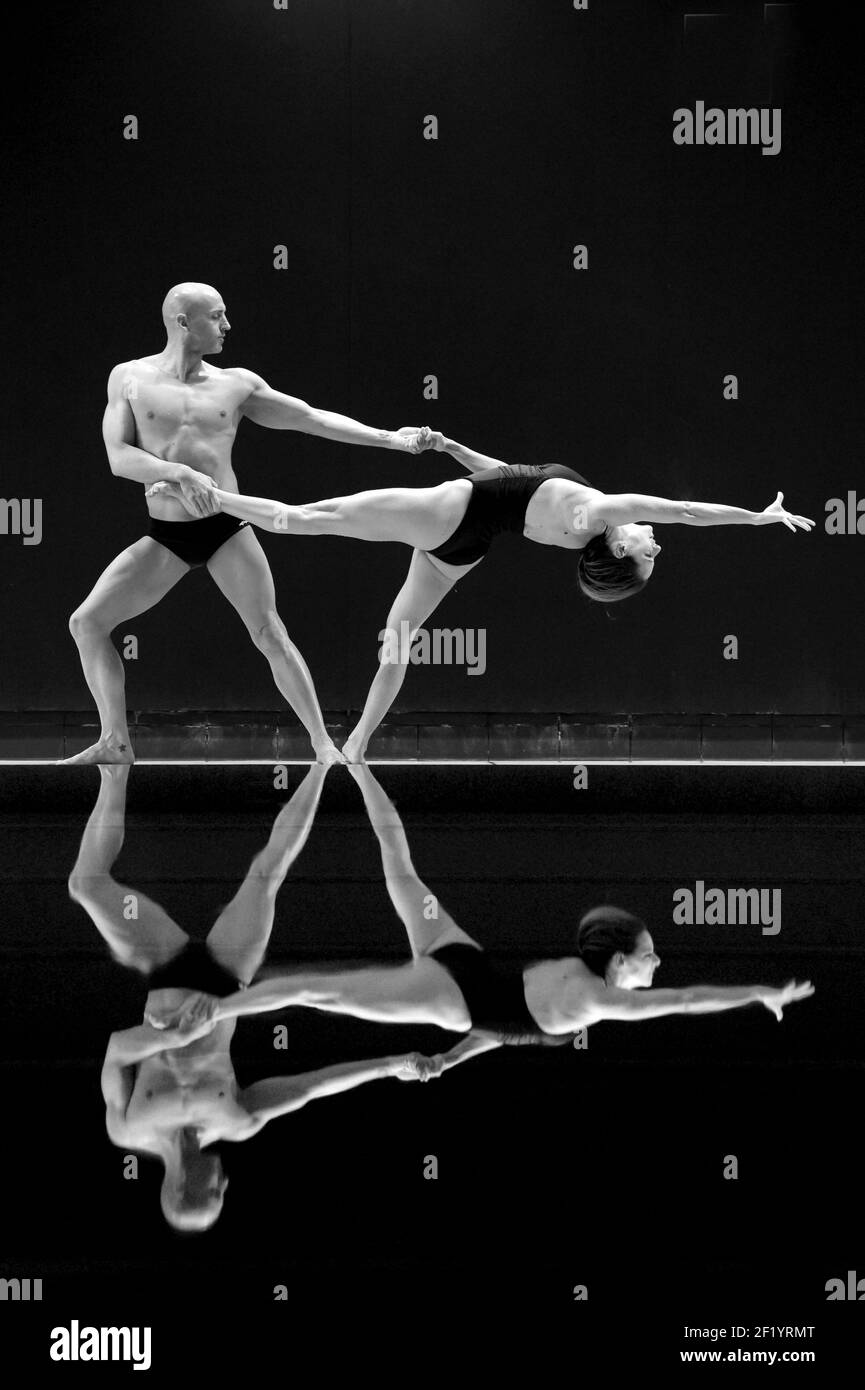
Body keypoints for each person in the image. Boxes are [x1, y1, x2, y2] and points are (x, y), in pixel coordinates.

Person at [148, 428, 814, 761]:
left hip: (451, 515)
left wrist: (756, 518)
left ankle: (203, 493)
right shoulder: (581, 517)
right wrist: (454, 447)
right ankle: (356, 749)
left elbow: (684, 512)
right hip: (465, 547)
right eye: (652, 552)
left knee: (302, 518)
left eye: (646, 553)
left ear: (616, 548)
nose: (655, 544)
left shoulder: (597, 513)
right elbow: (508, 476)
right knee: (398, 640)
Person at [148, 765, 815, 1064]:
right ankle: (212, 1012)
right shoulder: (595, 1002)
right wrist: (758, 993)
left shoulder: (574, 982)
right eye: (648, 955)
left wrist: (454, 1058)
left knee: (401, 868)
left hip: (462, 960)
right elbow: (684, 1001)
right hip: (450, 995)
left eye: (650, 954)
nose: (657, 962)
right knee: (323, 992)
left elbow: (507, 1028)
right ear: (617, 962)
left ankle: (355, 764)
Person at [67, 763, 447, 1233]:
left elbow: (117, 1050)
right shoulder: (237, 1121)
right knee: (267, 872)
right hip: (227, 978)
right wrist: (390, 1065)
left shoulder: (127, 1129)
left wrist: (175, 1036)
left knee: (86, 885)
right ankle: (324, 761)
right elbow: (309, 1088)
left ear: (181, 1186)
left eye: (214, 1193)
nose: (225, 1184)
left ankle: (115, 768)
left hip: (165, 972)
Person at [63, 282, 429, 766]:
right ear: (183, 322)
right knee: (87, 623)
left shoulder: (236, 384)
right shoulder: (129, 378)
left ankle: (322, 744)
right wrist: (178, 472)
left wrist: (391, 439)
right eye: (216, 316)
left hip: (226, 528)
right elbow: (119, 456)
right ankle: (115, 741)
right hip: (168, 536)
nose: (227, 326)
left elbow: (313, 419)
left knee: (269, 633)